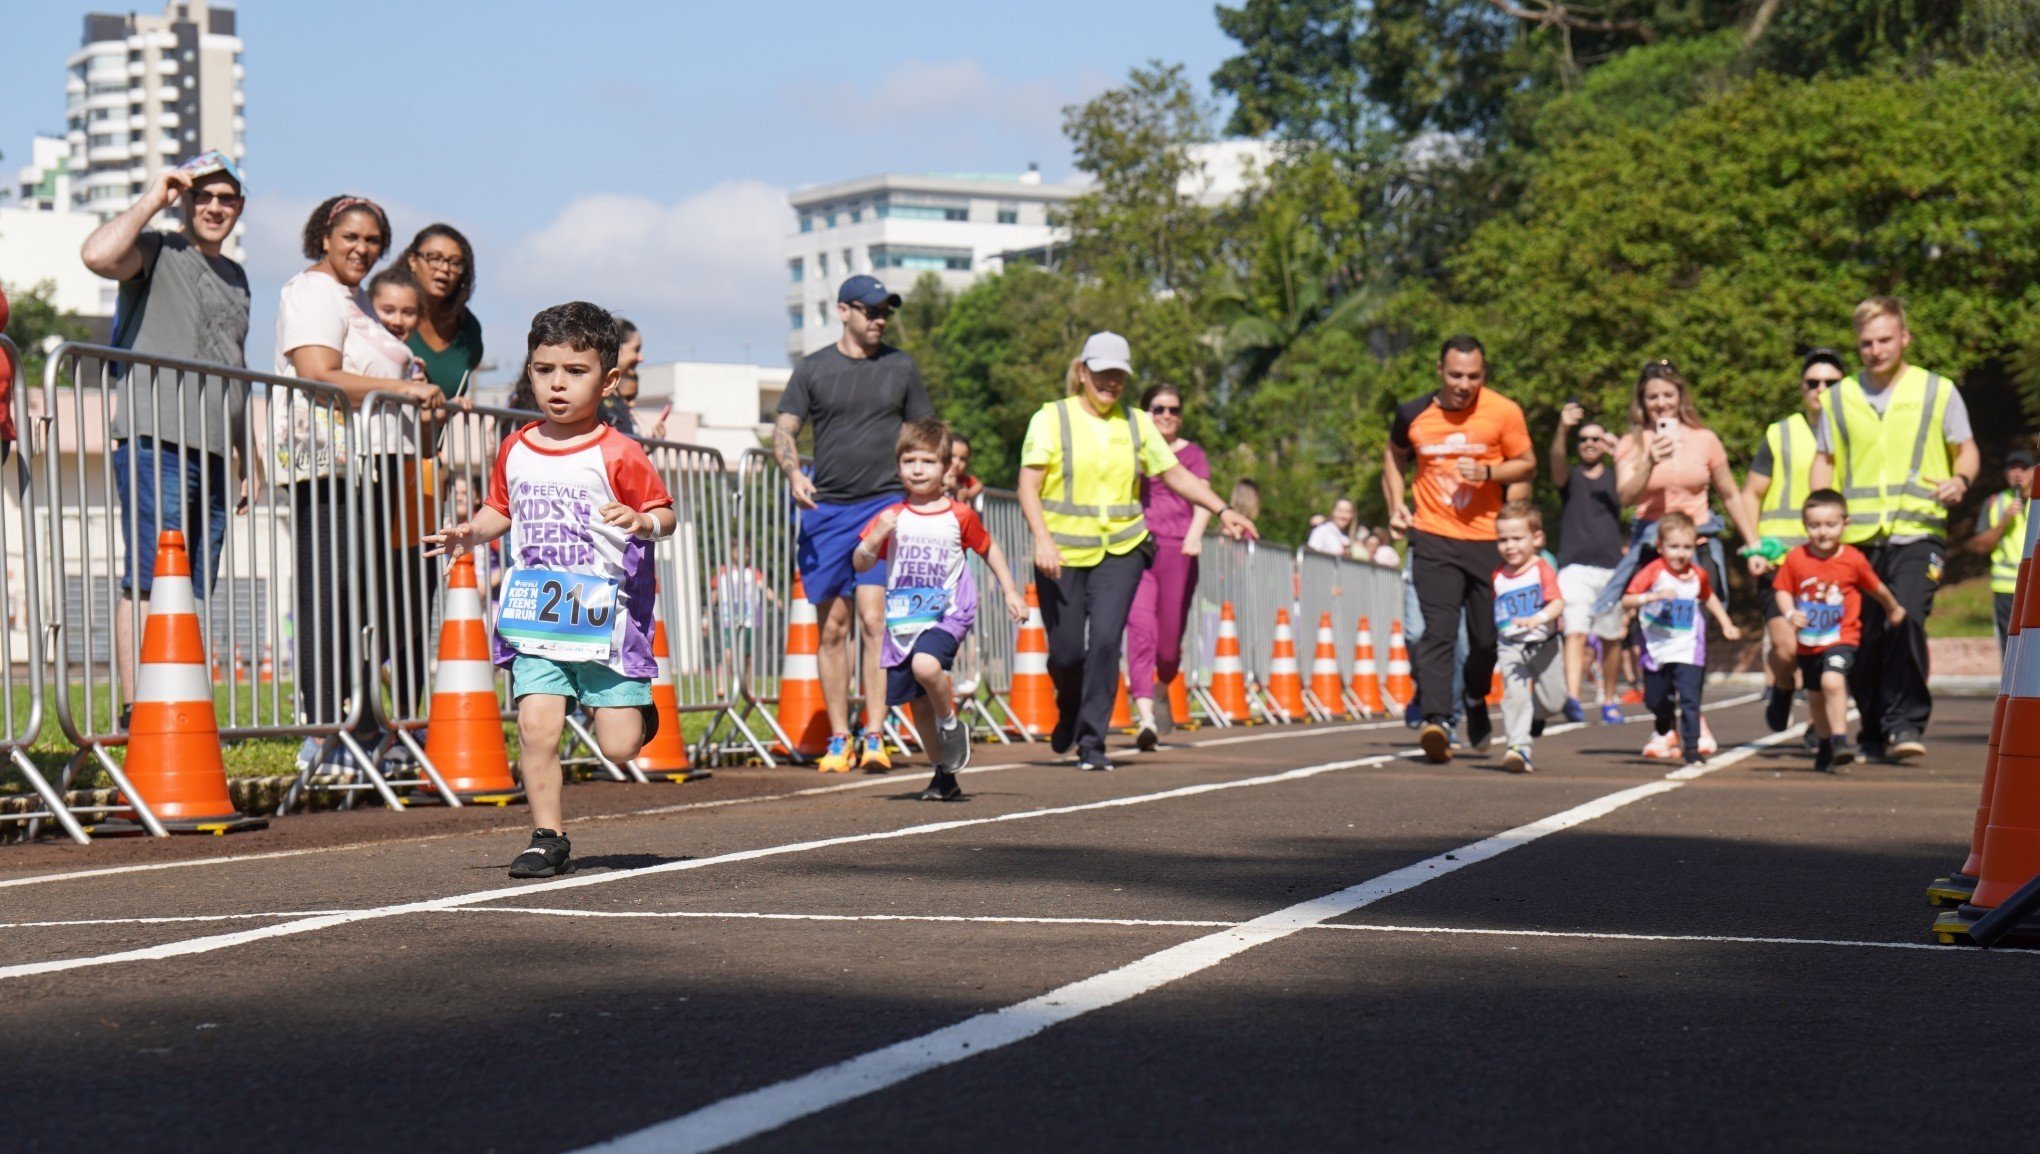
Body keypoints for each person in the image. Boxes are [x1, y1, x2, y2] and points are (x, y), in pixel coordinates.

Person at [425, 301, 677, 879]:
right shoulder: (516, 446)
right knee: (537, 724)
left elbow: (665, 513)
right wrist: (470, 532)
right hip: (538, 615)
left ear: (608, 380)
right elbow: (500, 509)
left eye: (575, 371)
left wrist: (643, 522)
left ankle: (636, 708)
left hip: (606, 621)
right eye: (545, 370)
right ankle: (546, 836)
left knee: (618, 746)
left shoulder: (619, 451)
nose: (557, 384)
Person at [1018, 332, 1254, 771]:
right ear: (1083, 372)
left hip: (1121, 551)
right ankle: (1069, 708)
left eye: (1119, 376)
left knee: (1107, 642)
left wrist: (1223, 509)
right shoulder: (1052, 418)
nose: (1111, 383)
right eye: (1103, 373)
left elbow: (1177, 475)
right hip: (1062, 554)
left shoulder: (1137, 423)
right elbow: (1028, 485)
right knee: (1067, 653)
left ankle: (1092, 744)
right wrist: (1042, 539)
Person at [79, 150, 252, 717]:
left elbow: (235, 368)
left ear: (240, 208)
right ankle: (139, 708)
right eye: (202, 194)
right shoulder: (158, 249)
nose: (214, 206)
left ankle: (171, 703)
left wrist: (245, 456)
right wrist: (157, 195)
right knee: (151, 577)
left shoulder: (238, 277)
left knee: (190, 585)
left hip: (213, 450)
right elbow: (98, 255)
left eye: (226, 198)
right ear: (185, 198)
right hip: (156, 435)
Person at [274, 195, 446, 759]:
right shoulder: (313, 292)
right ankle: (325, 729)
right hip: (332, 465)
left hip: (376, 467)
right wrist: (407, 388)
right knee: (332, 592)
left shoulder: (356, 302)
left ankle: (363, 724)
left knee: (367, 598)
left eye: (373, 241)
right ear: (324, 235)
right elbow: (318, 373)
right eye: (351, 236)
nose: (362, 249)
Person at [1809, 296, 1980, 761]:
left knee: (1906, 617)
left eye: (1885, 339)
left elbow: (1966, 449)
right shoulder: (1838, 398)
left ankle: (1906, 724)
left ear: (1904, 338)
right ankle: (1870, 727)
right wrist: (1819, 524)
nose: (1875, 350)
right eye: (1866, 342)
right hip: (1858, 538)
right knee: (1862, 635)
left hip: (1917, 532)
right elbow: (1824, 462)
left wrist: (1959, 480)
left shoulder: (1936, 390)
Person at [775, 275, 934, 773]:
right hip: (826, 512)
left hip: (883, 507)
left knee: (873, 620)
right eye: (870, 310)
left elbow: (921, 433)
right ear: (844, 311)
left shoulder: (901, 367)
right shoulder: (814, 368)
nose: (879, 319)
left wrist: (931, 485)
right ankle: (839, 738)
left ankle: (874, 734)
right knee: (832, 629)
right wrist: (792, 471)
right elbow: (785, 428)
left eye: (885, 310)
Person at [853, 418, 1028, 800]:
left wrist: (1011, 591)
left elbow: (989, 548)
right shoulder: (891, 516)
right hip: (904, 619)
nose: (917, 469)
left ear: (947, 468)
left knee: (926, 666)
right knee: (916, 706)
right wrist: (877, 537)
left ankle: (951, 721)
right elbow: (860, 563)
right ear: (898, 465)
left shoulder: (958, 514)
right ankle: (944, 773)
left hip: (949, 610)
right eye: (909, 460)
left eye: (928, 461)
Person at [1596, 359, 1765, 756]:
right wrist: (1650, 460)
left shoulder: (1705, 439)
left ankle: (1693, 714)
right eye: (1652, 397)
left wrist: (1753, 544)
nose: (1660, 404)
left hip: (1697, 544)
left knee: (1693, 632)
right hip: (1651, 545)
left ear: (1679, 397)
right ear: (1642, 401)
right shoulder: (1630, 443)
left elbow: (1730, 493)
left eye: (1667, 396)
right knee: (1650, 632)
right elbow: (1624, 498)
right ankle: (1663, 723)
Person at [1382, 335, 1535, 764]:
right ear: (1439, 371)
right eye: (1455, 375)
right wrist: (1397, 505)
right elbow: (1394, 456)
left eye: (1473, 376)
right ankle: (1437, 720)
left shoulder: (1503, 411)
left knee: (1486, 641)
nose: (1464, 384)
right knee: (1437, 632)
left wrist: (1488, 470)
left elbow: (1527, 463)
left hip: (1489, 539)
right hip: (1433, 536)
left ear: (1483, 375)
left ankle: (1474, 695)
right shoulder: (1412, 414)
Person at [1744, 349, 1844, 730]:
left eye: (1831, 383)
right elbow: (1751, 493)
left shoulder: (1855, 431)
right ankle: (1784, 685)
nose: (1821, 389)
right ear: (1801, 389)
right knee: (1786, 650)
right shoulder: (1780, 433)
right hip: (1779, 559)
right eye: (1812, 382)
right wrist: (1754, 546)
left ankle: (1820, 730)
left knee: (1824, 651)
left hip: (1830, 563)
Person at [1774, 490, 1906, 772]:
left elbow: (1876, 588)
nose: (1822, 532)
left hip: (1842, 637)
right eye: (1814, 525)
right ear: (1805, 525)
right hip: (1808, 642)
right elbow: (1782, 589)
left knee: (1832, 681)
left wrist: (1893, 608)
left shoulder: (1853, 559)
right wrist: (1789, 613)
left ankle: (1839, 741)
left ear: (1845, 523)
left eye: (1830, 524)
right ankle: (1824, 745)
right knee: (1815, 696)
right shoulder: (1796, 558)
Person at [1124, 383, 1211, 747]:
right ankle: (1145, 718)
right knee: (1140, 630)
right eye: (1158, 409)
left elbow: (1204, 497)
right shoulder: (1131, 450)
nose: (1166, 416)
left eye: (1173, 410)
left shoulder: (1191, 454)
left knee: (1168, 648)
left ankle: (1161, 690)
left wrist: (1195, 534)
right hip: (1137, 547)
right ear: (1146, 412)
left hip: (1179, 549)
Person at [1622, 512, 1742, 765]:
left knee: (1690, 699)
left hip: (1688, 647)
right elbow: (1627, 599)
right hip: (1656, 648)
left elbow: (1708, 597)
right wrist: (1652, 598)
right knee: (1655, 699)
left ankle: (1691, 748)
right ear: (1660, 547)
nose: (1681, 554)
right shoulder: (1653, 572)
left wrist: (1726, 622)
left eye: (1687, 547)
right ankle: (1664, 721)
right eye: (1674, 547)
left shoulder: (1698, 574)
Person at [1549, 400, 1627, 725]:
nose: (1590, 443)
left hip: (1611, 568)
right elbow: (1555, 462)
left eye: (1596, 438)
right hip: (1575, 568)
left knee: (1611, 638)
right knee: (1576, 633)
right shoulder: (1571, 480)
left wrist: (1619, 451)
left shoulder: (1615, 479)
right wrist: (1563, 427)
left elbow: (1633, 487)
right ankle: (1573, 698)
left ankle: (1609, 699)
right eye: (1583, 439)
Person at [1491, 501, 1568, 774]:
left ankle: (1536, 716)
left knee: (1554, 702)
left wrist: (1538, 618)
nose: (1509, 546)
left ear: (1536, 538)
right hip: (1512, 645)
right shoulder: (1498, 575)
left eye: (1517, 539)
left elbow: (1558, 602)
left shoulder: (1541, 568)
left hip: (1544, 644)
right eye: (1503, 540)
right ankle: (1518, 747)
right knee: (1516, 696)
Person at [399, 224, 483, 400]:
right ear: (413, 261)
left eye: (454, 263)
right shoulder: (384, 311)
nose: (444, 268)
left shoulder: (469, 328)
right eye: (434, 258)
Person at [1966, 450, 2034, 656]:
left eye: (2023, 468)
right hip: (2007, 588)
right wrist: (2003, 522)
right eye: (2013, 468)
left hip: (2036, 586)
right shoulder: (1995, 503)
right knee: (2011, 650)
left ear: (2034, 472)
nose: (2018, 474)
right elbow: (1979, 546)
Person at [366, 266, 428, 379]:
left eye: (408, 313)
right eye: (388, 311)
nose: (397, 322)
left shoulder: (409, 362)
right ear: (368, 308)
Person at [946, 433, 985, 503]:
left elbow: (979, 485)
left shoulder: (964, 479)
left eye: (962, 459)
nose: (957, 463)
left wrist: (969, 494)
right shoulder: (937, 475)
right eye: (952, 456)